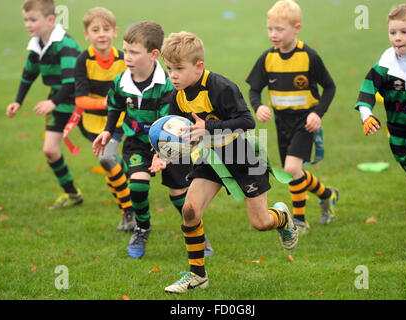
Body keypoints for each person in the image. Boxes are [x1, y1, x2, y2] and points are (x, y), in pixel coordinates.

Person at [152, 31, 298, 294]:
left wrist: (207, 127)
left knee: (260, 223)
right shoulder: (179, 95)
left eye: (179, 69)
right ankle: (197, 276)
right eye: (169, 69)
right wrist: (162, 154)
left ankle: (283, 217)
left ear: (199, 66)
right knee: (190, 211)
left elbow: (247, 121)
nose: (172, 75)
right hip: (212, 158)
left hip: (243, 156)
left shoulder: (220, 87)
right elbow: (174, 131)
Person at [92, 22, 213, 258]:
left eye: (134, 52)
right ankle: (142, 228)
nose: (127, 56)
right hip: (137, 142)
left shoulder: (167, 86)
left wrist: (162, 155)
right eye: (125, 50)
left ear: (153, 54)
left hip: (173, 144)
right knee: (137, 185)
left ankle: (197, 233)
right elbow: (115, 106)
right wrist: (108, 131)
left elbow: (166, 123)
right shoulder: (120, 82)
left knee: (180, 195)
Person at [246, 0, 339, 235]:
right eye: (270, 29)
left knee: (291, 168)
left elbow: (329, 87)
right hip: (281, 121)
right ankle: (327, 194)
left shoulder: (308, 56)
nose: (273, 34)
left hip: (305, 122)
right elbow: (254, 90)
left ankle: (298, 221)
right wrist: (258, 107)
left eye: (279, 29)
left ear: (296, 28)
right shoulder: (268, 58)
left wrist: (317, 114)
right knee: (292, 172)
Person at [355, 3, 406, 249]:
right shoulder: (384, 67)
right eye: (393, 33)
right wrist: (367, 116)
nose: (397, 38)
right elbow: (365, 94)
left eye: (404, 32)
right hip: (400, 140)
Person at [6, 0, 83, 210]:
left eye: (33, 20)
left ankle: (130, 187)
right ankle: (72, 194)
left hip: (81, 101)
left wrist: (53, 102)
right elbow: (28, 74)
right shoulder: (37, 45)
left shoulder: (65, 45)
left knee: (104, 152)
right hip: (57, 100)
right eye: (25, 20)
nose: (28, 24)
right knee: (50, 150)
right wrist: (18, 101)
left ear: (50, 20)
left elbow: (71, 83)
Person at [73, 7, 134, 231]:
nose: (101, 34)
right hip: (91, 123)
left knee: (107, 160)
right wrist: (105, 103)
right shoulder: (83, 60)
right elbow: (80, 99)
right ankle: (130, 203)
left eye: (106, 29)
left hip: (117, 122)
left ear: (115, 32)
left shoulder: (123, 59)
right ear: (87, 35)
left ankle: (129, 212)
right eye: (95, 29)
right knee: (111, 163)